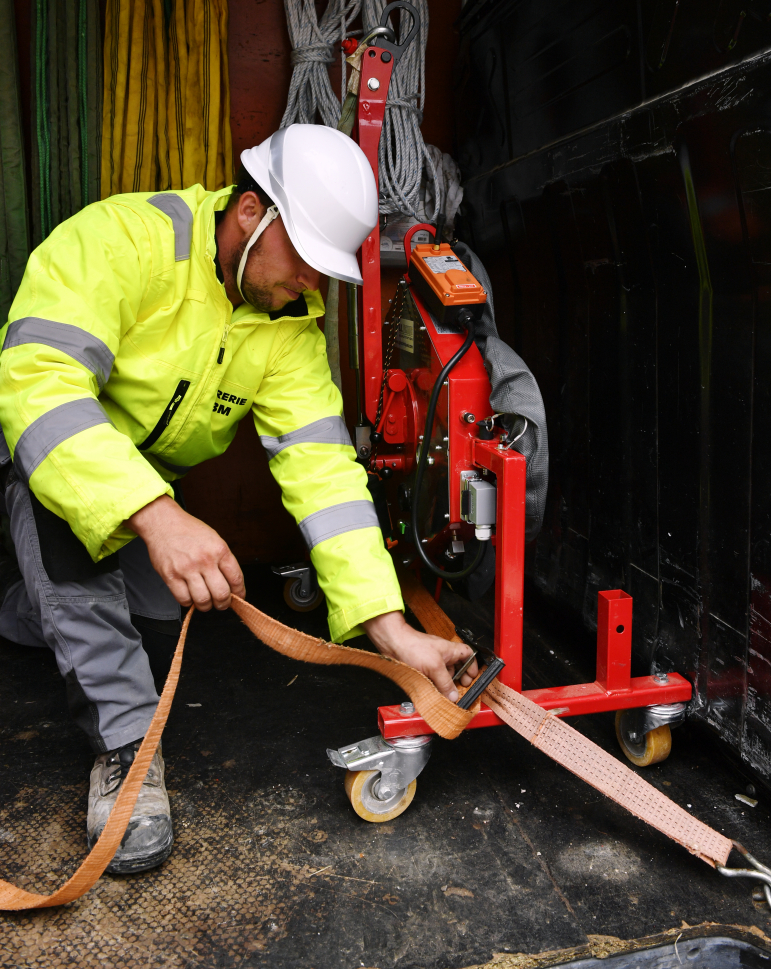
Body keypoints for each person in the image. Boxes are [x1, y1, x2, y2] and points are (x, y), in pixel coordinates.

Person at [0, 123, 476, 875]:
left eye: (327, 270)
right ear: (252, 211)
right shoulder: (119, 239)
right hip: (47, 456)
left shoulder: (288, 325)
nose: (312, 285)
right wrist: (157, 518)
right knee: (80, 572)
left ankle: (36, 605)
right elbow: (37, 390)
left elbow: (325, 474)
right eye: (306, 260)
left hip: (143, 487)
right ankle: (127, 755)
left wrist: (392, 631)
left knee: (156, 617)